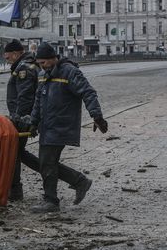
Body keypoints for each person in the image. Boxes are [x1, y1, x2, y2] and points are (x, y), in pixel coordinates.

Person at [29, 42, 108, 213]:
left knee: (47, 162)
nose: (41, 67)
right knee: (47, 163)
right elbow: (38, 101)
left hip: (61, 124)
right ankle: (79, 182)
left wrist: (97, 116)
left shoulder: (69, 72)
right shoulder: (43, 75)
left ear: (53, 59)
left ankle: (52, 201)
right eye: (39, 63)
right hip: (47, 126)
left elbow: (88, 92)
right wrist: (33, 123)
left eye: (43, 63)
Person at [3, 39, 40, 201]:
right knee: (17, 153)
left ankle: (15, 191)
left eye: (8, 55)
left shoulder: (24, 68)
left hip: (23, 119)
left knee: (14, 152)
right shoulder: (24, 65)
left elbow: (24, 98)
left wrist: (18, 119)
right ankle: (15, 190)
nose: (6, 58)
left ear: (17, 53)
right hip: (23, 118)